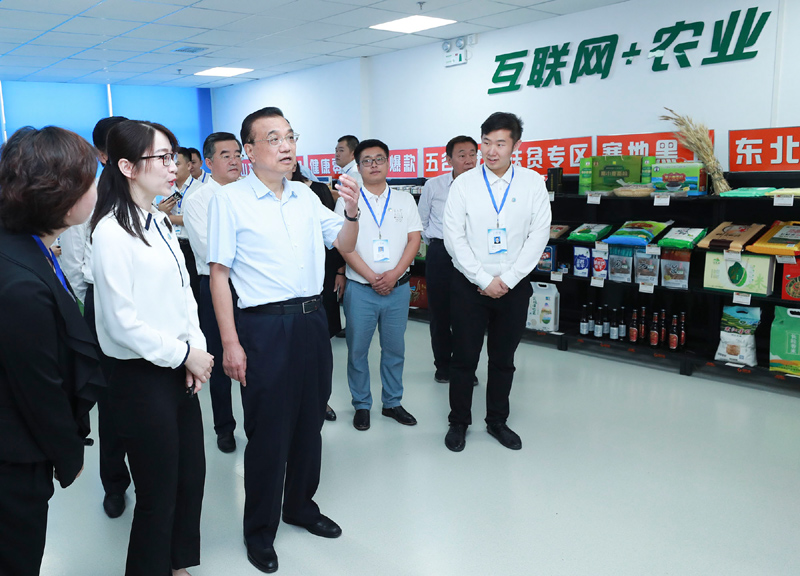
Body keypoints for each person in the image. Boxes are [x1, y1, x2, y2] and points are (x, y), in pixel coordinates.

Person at [206, 106, 359, 574]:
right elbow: (219, 275)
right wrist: (230, 343)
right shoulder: (230, 200)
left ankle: (300, 506)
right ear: (250, 151)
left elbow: (346, 243)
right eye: (273, 138)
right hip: (264, 327)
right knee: (269, 432)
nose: (286, 145)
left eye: (290, 136)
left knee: (310, 422)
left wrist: (352, 210)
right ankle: (259, 530)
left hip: (313, 322)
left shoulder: (307, 196)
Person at [91, 120, 213, 576]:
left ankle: (177, 564)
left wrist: (195, 350)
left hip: (180, 366)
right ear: (127, 167)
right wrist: (185, 355)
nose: (172, 166)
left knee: (189, 478)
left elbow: (185, 296)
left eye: (172, 156)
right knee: (157, 491)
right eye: (161, 158)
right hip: (140, 376)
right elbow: (121, 323)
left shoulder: (159, 221)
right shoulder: (110, 232)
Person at [0, 126, 104, 576]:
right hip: (16, 457)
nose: (97, 188)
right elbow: (38, 386)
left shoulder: (28, 246)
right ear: (62, 194)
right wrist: (69, 454)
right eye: (90, 180)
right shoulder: (21, 283)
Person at [443, 112, 551, 453]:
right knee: (464, 358)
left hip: (513, 288)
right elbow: (453, 237)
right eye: (486, 143)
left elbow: (539, 235)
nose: (491, 151)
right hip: (469, 287)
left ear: (515, 146)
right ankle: (459, 421)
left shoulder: (532, 183)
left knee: (503, 359)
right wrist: (482, 278)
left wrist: (507, 279)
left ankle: (497, 421)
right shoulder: (464, 184)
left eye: (500, 144)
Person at [59, 115, 133, 519]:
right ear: (105, 154)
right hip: (100, 309)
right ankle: (114, 484)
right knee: (112, 402)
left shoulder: (143, 193)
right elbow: (75, 265)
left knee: (145, 399)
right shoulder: (89, 192)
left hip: (144, 312)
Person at [335, 139, 422, 431]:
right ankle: (361, 404)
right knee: (357, 351)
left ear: (388, 163)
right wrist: (372, 277)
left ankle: (392, 402)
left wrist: (395, 274)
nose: (374, 165)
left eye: (379, 159)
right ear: (358, 167)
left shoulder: (404, 200)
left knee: (395, 349)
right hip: (361, 289)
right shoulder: (347, 200)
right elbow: (343, 246)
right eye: (367, 160)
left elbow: (414, 239)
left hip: (398, 289)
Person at [183, 132, 244, 453]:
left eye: (237, 154)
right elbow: (211, 252)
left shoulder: (250, 193)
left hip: (250, 286)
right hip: (215, 286)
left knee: (254, 356)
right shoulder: (197, 201)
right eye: (225, 155)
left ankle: (257, 422)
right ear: (208, 162)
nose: (234, 160)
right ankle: (225, 427)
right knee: (220, 360)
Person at [418, 135, 478, 384]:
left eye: (473, 154)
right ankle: (442, 365)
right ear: (449, 159)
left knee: (470, 315)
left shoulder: (485, 185)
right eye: (462, 155)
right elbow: (421, 222)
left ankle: (466, 368)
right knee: (440, 313)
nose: (469, 160)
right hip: (441, 253)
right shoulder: (434, 185)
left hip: (474, 254)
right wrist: (440, 244)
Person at [290, 162, 344, 423]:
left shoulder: (310, 193)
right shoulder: (239, 199)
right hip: (274, 304)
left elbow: (340, 238)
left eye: (290, 143)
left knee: (318, 359)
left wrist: (352, 213)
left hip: (315, 290)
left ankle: (320, 403)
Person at [157, 146, 202, 302]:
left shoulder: (200, 189)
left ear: (189, 166)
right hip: (172, 245)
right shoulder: (166, 189)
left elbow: (194, 219)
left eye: (177, 164)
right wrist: (160, 212)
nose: (173, 168)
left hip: (191, 248)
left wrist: (165, 216)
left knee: (194, 293)